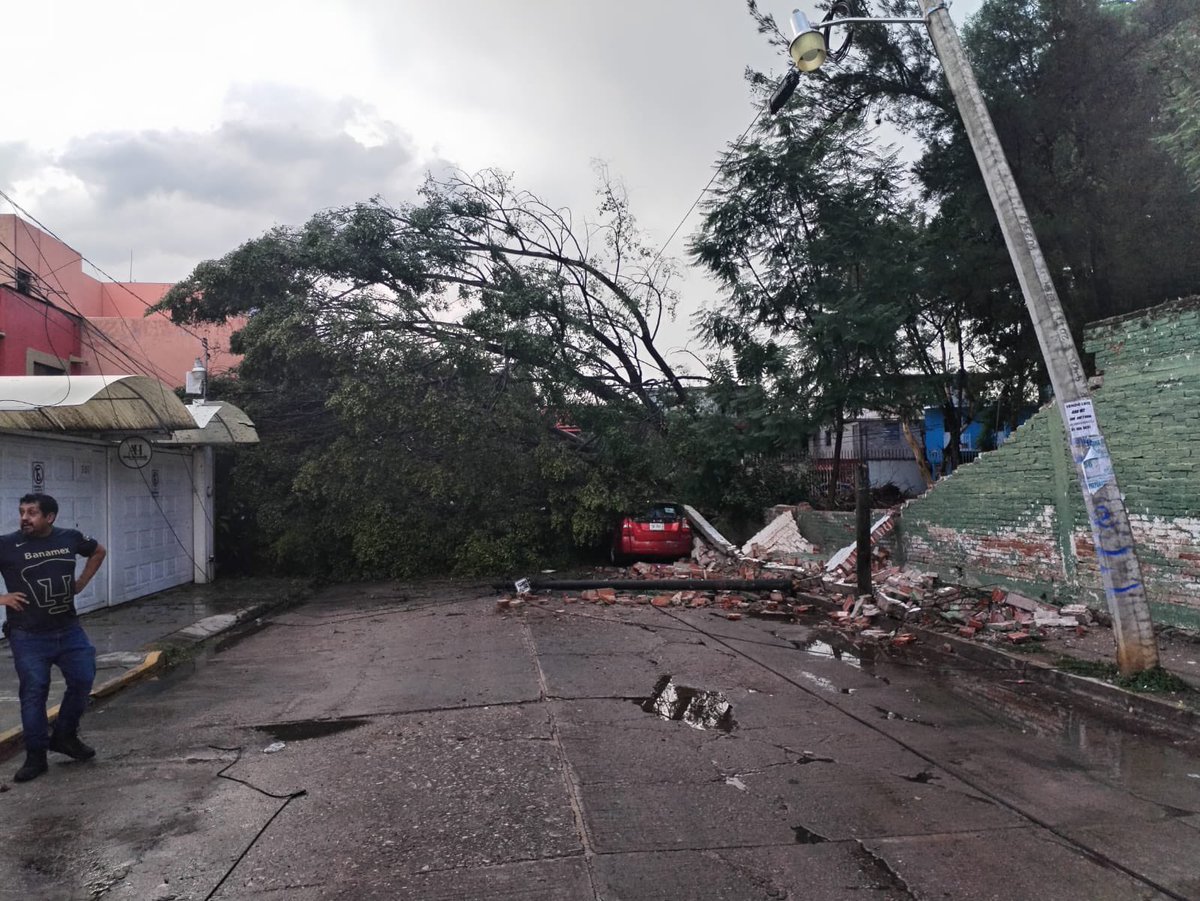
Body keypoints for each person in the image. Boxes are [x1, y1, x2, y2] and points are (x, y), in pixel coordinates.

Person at [0, 493, 107, 783]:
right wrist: (2, 598)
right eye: (22, 512)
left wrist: (82, 582)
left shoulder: (69, 537)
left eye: (32, 513)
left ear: (50, 517)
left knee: (84, 678)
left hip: (69, 630)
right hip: (28, 635)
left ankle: (65, 737)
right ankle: (35, 756)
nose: (24, 518)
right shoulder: (7, 545)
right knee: (35, 692)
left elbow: (98, 551)